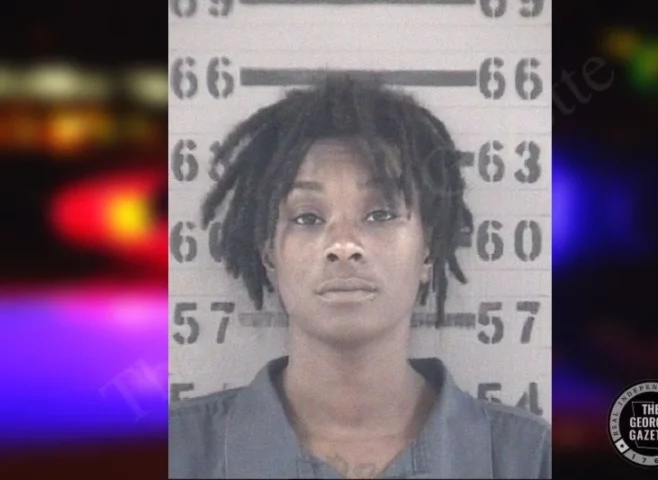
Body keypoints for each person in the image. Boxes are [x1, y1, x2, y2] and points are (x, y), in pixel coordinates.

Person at [169, 73, 551, 479]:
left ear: (428, 250)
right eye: (307, 217)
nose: (343, 244)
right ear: (268, 254)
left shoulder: (528, 459)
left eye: (380, 214)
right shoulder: (174, 453)